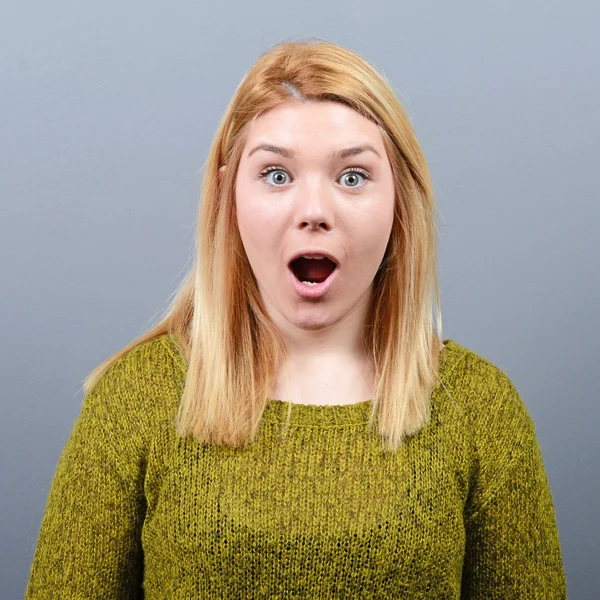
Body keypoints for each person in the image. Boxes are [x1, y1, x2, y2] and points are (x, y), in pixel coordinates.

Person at [25, 38, 567, 598]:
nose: (314, 212)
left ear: (400, 201)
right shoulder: (135, 399)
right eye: (277, 175)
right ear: (228, 193)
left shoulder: (481, 411)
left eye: (352, 176)